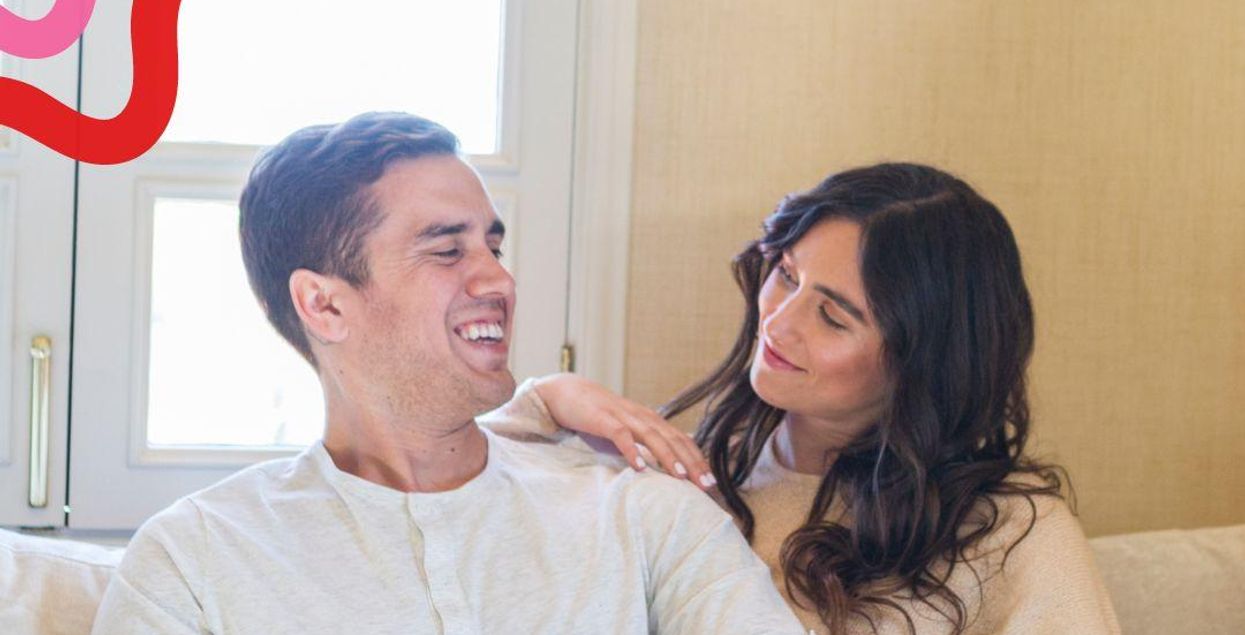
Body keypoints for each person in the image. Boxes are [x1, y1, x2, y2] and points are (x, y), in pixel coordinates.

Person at [91, 112, 803, 634]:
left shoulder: (641, 514)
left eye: (493, 246)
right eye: (446, 250)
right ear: (325, 304)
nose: (499, 279)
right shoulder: (194, 558)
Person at [486, 163, 1122, 634]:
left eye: (834, 317)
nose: (779, 322)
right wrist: (548, 399)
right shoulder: (694, 470)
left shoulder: (1011, 536)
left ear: (923, 364)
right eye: (786, 275)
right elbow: (473, 524)